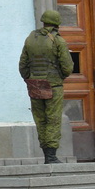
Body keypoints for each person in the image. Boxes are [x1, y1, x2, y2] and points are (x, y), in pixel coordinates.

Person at [19, 9, 74, 164]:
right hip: (53, 85)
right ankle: (51, 156)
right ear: (57, 23)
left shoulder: (31, 38)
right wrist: (60, 77)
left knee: (40, 119)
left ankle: (46, 153)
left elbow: (23, 65)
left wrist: (29, 79)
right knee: (53, 118)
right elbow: (67, 67)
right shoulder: (58, 41)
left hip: (34, 85)